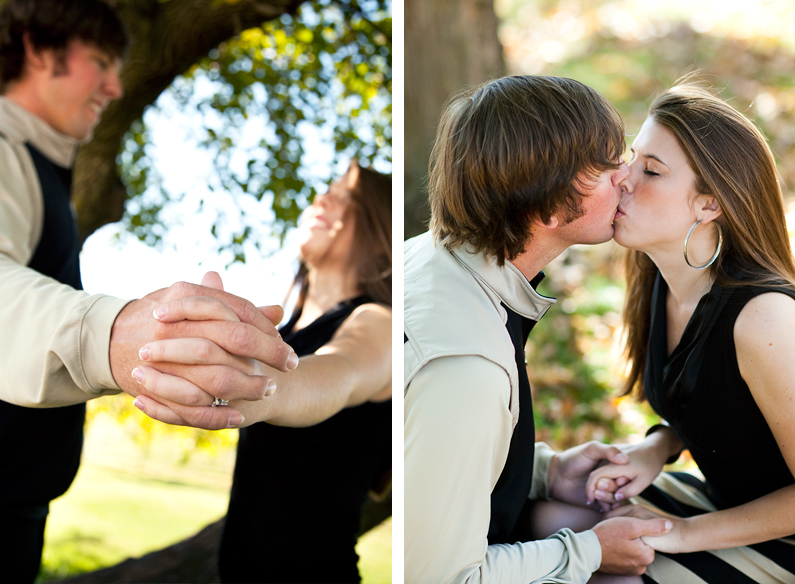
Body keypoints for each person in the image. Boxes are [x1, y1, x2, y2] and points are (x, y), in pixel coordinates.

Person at [0, 1, 296, 581]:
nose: (114, 85)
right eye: (101, 62)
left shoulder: (42, 163)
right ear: (38, 49)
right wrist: (109, 336)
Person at [403, 75, 675, 584]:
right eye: (606, 164)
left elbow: (433, 461)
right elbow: (439, 577)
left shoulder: (431, 256)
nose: (626, 176)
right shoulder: (467, 368)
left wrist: (543, 472)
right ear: (549, 207)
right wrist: (589, 554)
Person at [529, 84, 795, 583]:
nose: (624, 178)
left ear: (709, 206)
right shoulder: (662, 279)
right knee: (549, 520)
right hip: (726, 503)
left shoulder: (765, 319)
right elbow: (724, 406)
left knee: (611, 573)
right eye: (633, 159)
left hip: (781, 537)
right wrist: (656, 448)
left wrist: (679, 533)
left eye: (652, 170)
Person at [134, 161, 392, 583]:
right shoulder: (283, 333)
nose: (322, 199)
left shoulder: (378, 323)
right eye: (324, 191)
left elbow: (336, 372)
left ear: (381, 233)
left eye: (348, 198)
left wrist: (245, 378)